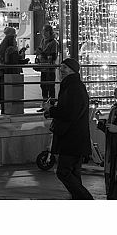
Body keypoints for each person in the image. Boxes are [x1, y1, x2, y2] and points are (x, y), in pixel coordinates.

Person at [44, 57, 93, 200]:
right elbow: (69, 110)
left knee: (64, 172)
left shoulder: (74, 87)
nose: (61, 70)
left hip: (72, 137)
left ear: (73, 70)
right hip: (74, 137)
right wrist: (51, 111)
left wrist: (52, 110)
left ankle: (86, 199)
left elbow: (71, 112)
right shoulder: (71, 86)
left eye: (65, 68)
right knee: (73, 172)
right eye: (61, 67)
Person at [0, 27, 24, 114]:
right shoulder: (11, 49)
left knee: (3, 91)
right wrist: (22, 57)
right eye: (15, 36)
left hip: (2, 72)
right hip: (11, 73)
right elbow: (14, 62)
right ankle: (12, 109)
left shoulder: (1, 47)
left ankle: (3, 108)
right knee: (11, 92)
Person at [35, 24, 59, 112]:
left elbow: (52, 56)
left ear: (50, 32)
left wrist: (43, 53)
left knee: (50, 87)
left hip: (50, 68)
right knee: (43, 86)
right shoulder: (43, 41)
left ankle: (51, 106)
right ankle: (45, 105)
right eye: (43, 31)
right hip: (43, 67)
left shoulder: (54, 42)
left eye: (46, 31)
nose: (44, 33)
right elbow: (40, 51)